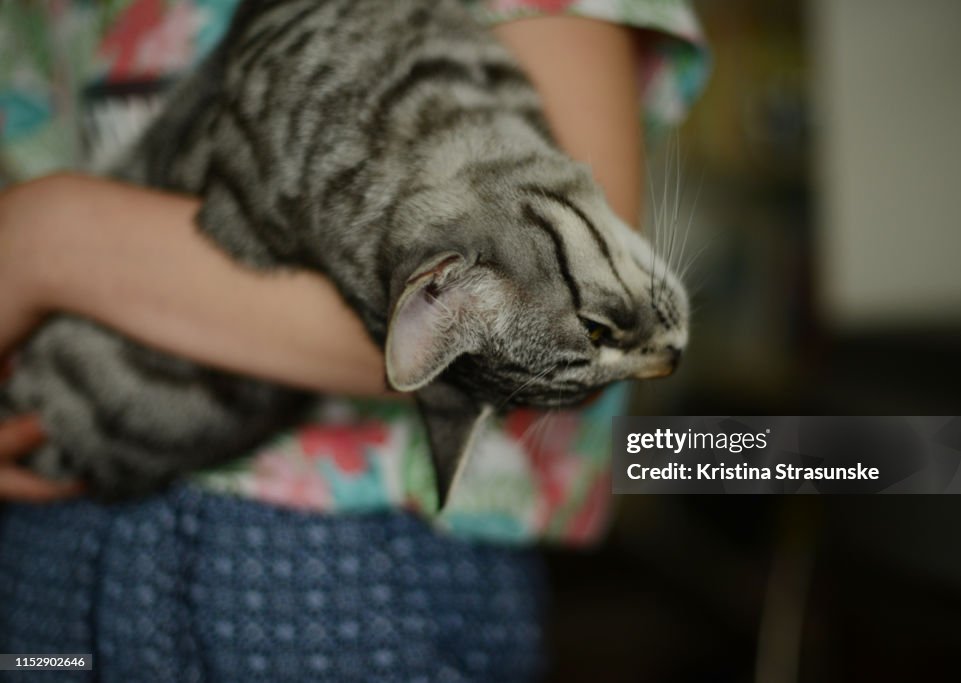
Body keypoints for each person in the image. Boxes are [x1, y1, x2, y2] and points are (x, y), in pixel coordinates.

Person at [0, 1, 707, 680]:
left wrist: (48, 240)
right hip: (39, 541)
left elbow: (590, 212)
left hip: (339, 566)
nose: (663, 359)